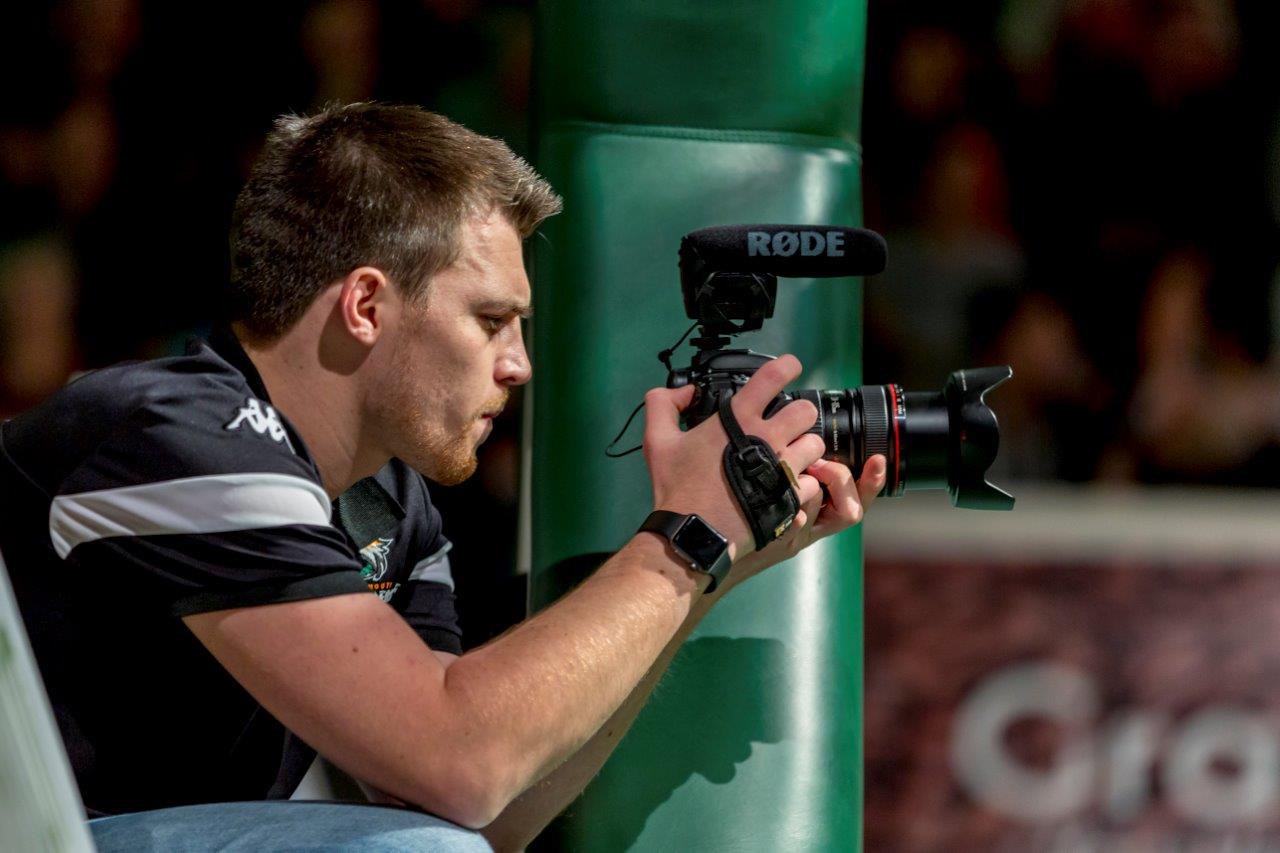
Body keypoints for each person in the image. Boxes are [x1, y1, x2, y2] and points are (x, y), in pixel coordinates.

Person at [0, 102, 885, 851]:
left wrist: (710, 566)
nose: (520, 365)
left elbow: (483, 807)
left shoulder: (392, 494)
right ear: (366, 305)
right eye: (493, 320)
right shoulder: (174, 435)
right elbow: (457, 756)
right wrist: (683, 539)